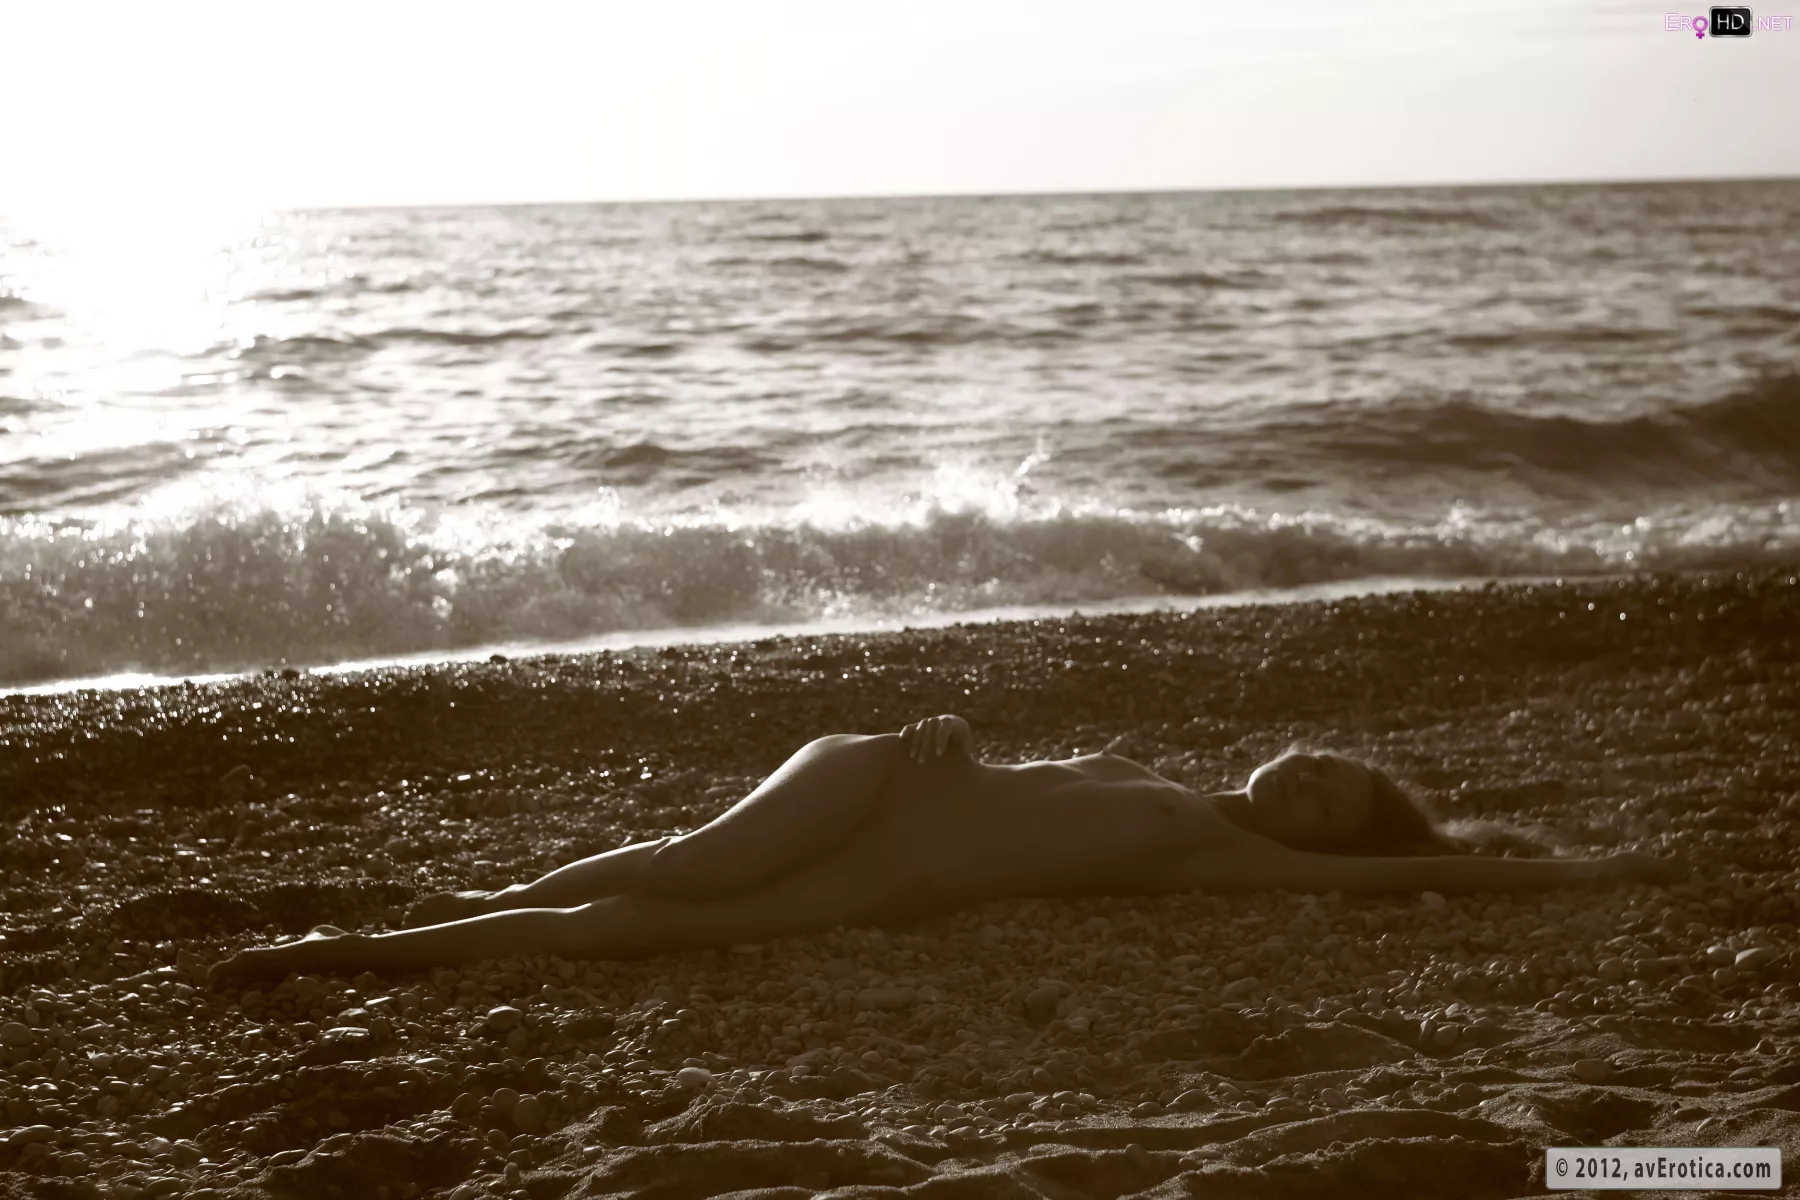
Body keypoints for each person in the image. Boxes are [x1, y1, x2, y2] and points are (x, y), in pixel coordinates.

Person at [207, 714, 1680, 988]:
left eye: (1335, 795)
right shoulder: (1157, 778)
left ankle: (361, 944)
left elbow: (1428, 871)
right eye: (1324, 758)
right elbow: (1000, 774)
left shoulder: (1221, 858)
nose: (1310, 773)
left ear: (1328, 842)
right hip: (865, 780)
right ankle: (380, 936)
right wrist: (952, 736)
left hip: (879, 869)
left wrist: (1586, 873)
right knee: (682, 871)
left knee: (650, 915)